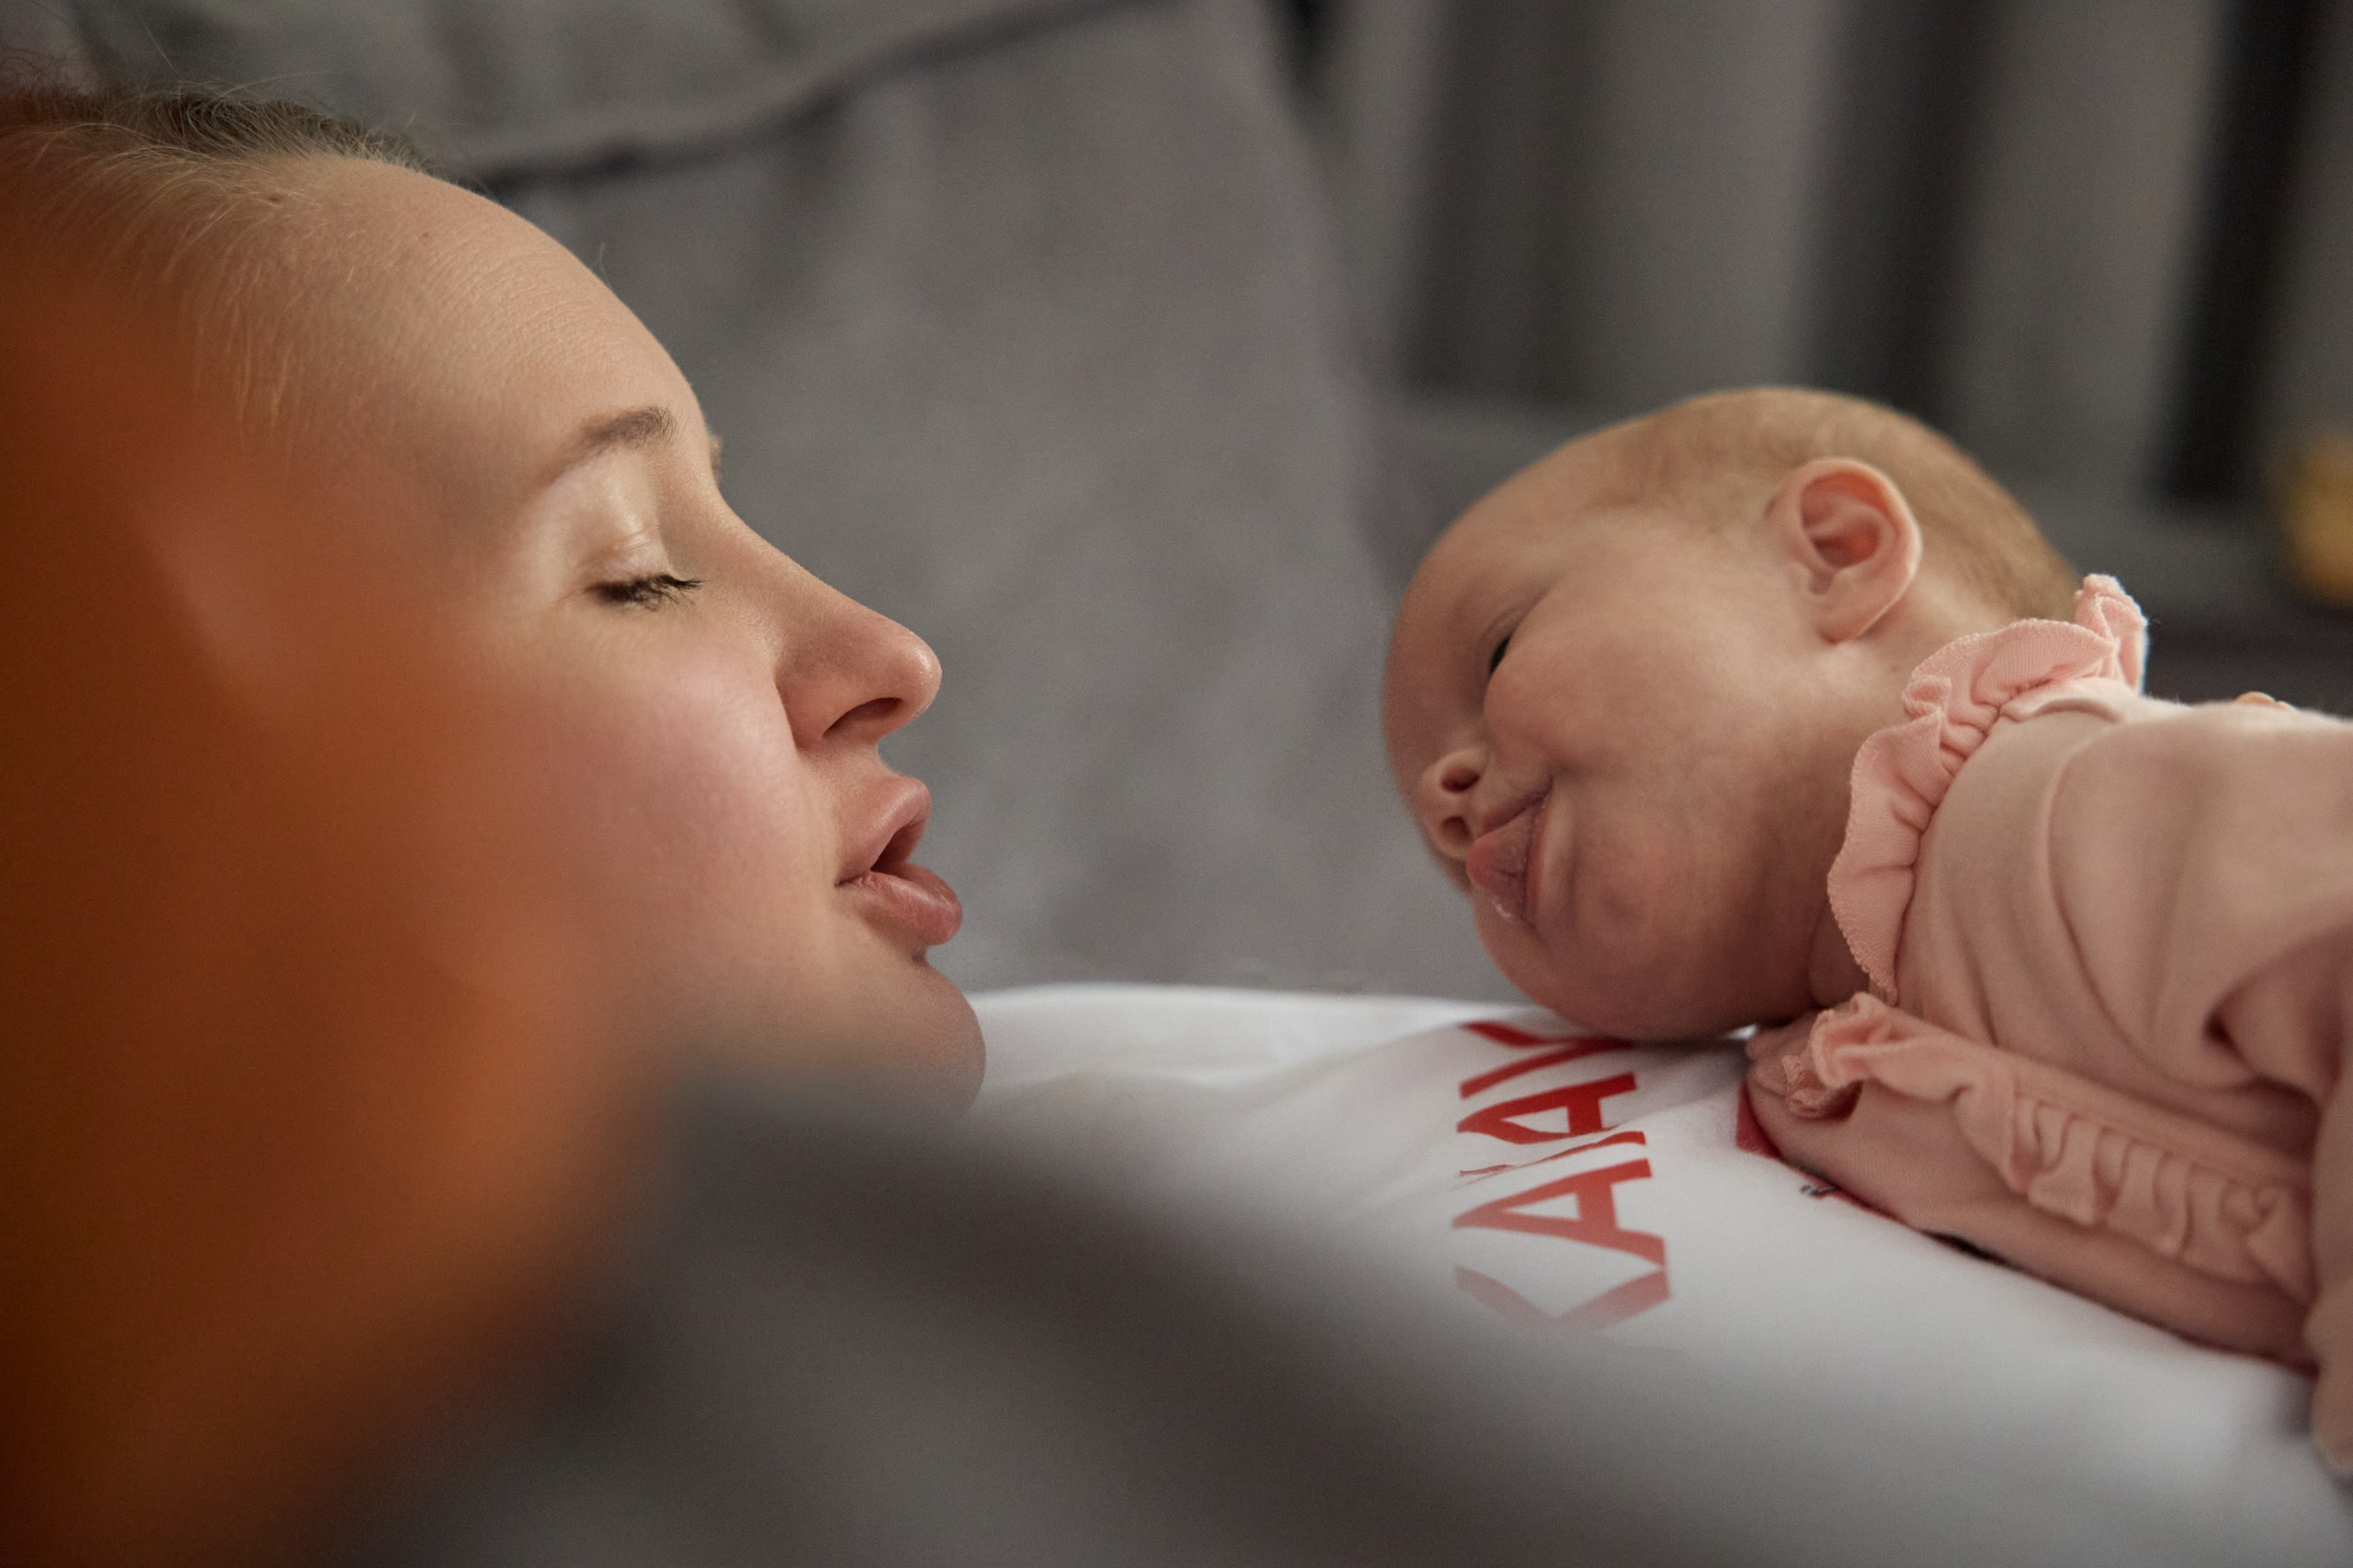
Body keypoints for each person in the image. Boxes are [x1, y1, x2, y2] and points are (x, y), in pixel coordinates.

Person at [1382, 386, 2353, 1470]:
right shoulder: (1813, 1091)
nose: (1442, 793)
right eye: (1444, 866)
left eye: (1501, 649)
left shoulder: (2057, 795)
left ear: (1834, 555)